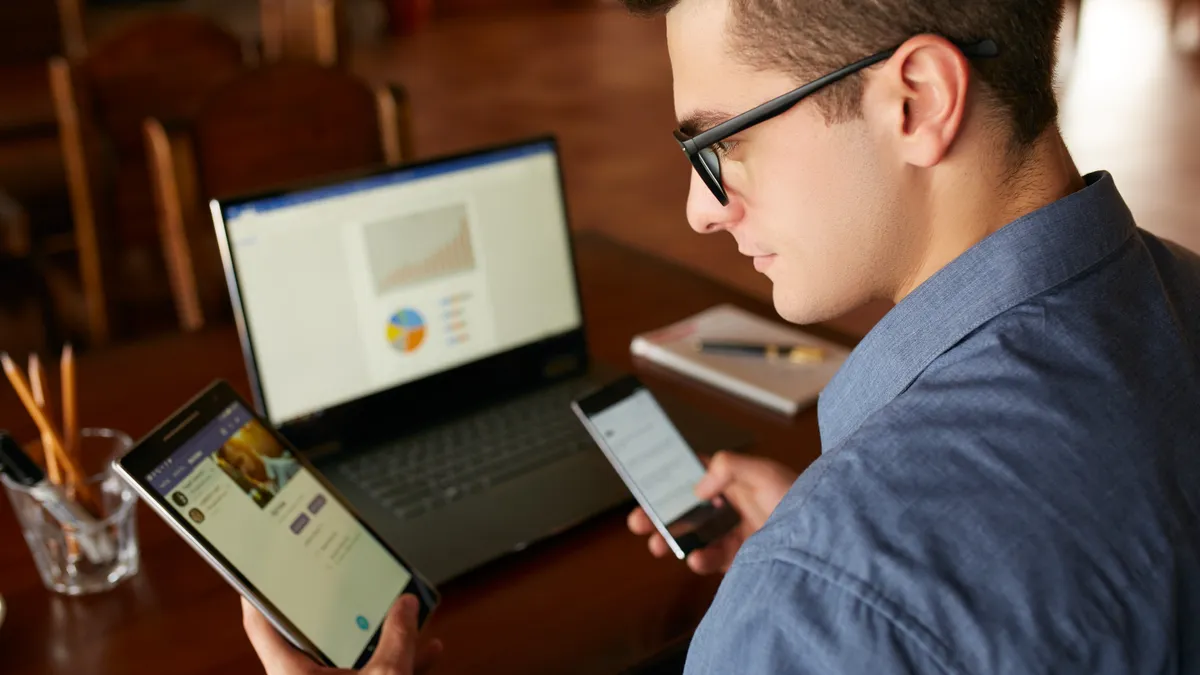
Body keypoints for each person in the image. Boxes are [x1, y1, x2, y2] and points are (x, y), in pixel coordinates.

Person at [243, 0, 1200, 672]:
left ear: (915, 99)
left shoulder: (824, 599)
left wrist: (824, 571)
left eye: (719, 145)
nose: (700, 211)